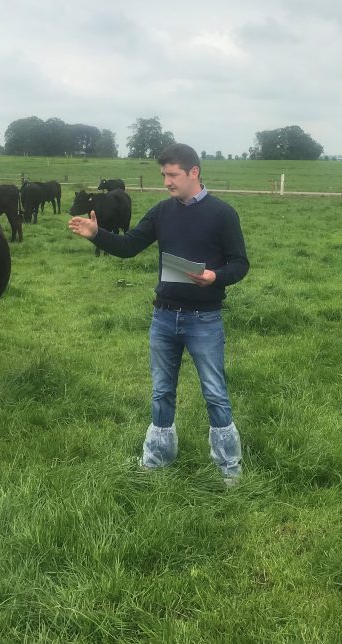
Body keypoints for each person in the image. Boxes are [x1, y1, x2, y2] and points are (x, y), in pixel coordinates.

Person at [67, 143, 250, 484]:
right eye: (163, 174)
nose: (166, 181)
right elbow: (130, 245)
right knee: (161, 390)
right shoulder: (162, 212)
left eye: (172, 175)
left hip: (204, 319)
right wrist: (97, 235)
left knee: (214, 391)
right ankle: (156, 461)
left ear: (194, 172)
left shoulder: (222, 214)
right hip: (164, 316)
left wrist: (214, 277)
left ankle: (229, 469)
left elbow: (240, 264)